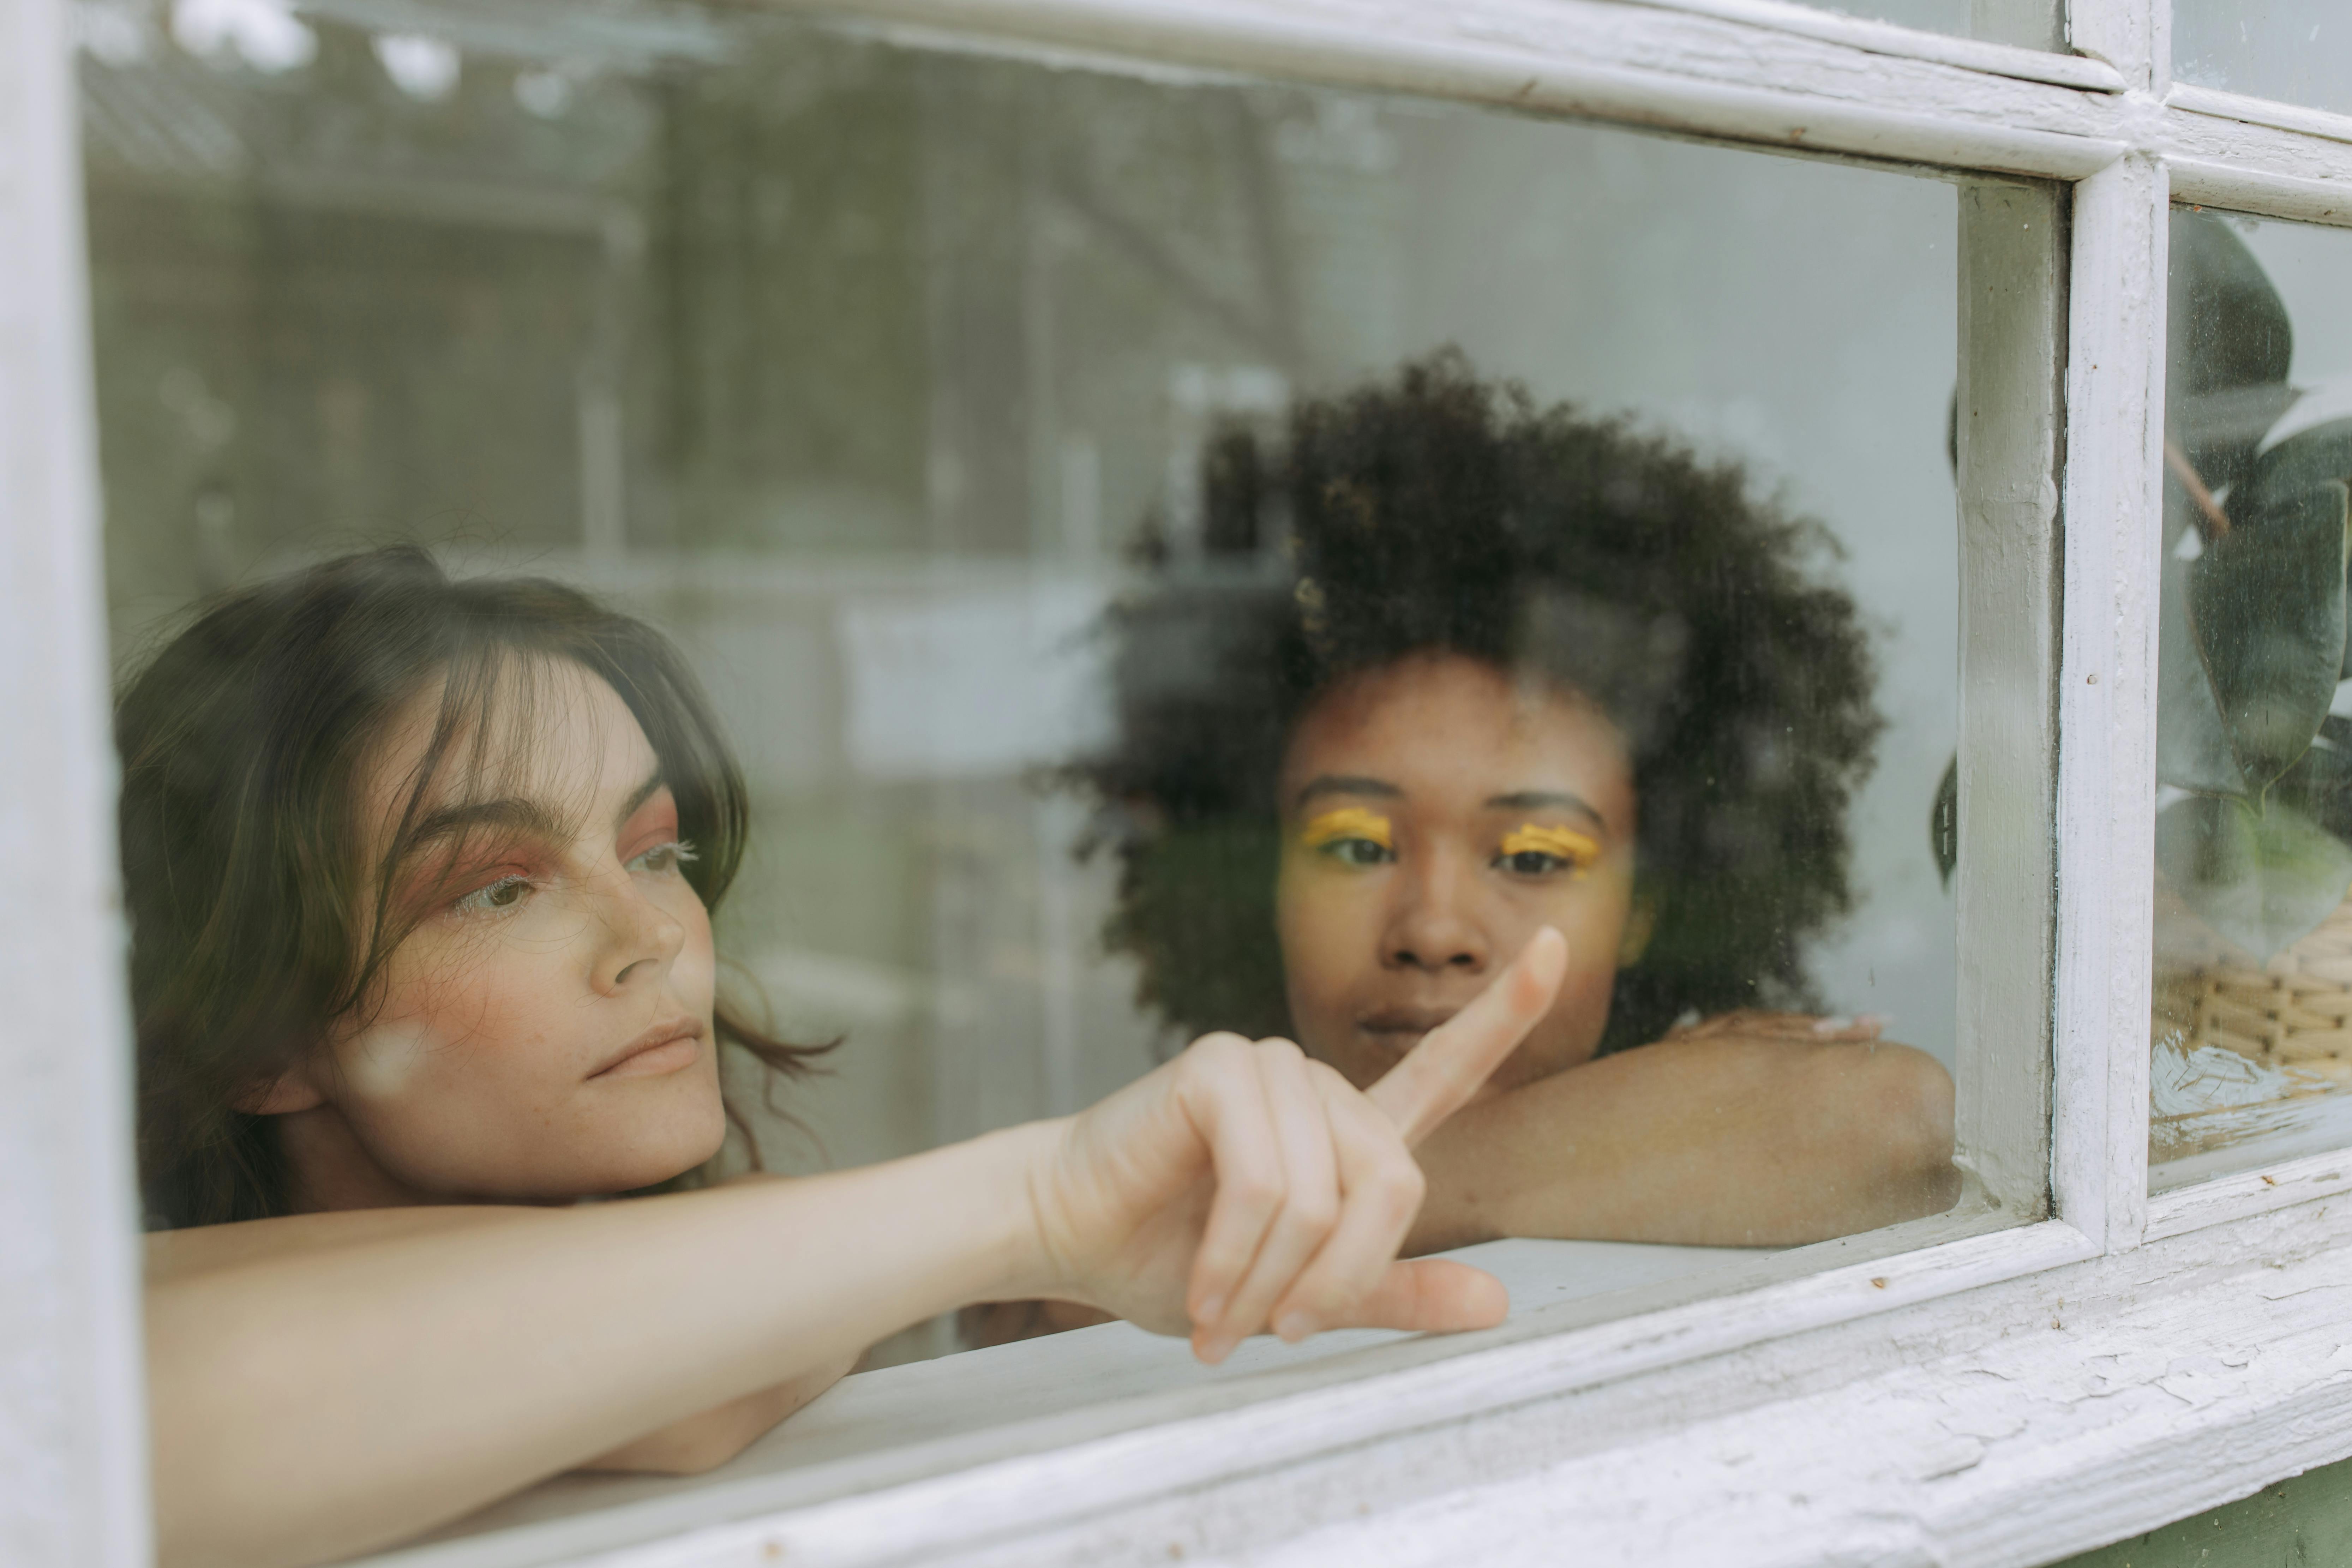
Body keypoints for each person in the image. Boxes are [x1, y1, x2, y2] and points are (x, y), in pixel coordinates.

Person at [127, 546, 1570, 1568]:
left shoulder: (771, 1303)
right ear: (258, 1035)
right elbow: (147, 1418)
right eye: (497, 886)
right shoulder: (102, 1341)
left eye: (658, 850)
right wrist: (1031, 1207)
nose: (655, 939)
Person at [1069, 352, 1960, 1255]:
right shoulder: (1102, 1238)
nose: (1432, 928)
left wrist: (1284, 1202)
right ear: (1262, 884)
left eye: (1532, 855)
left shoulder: (1164, 1220)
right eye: (1353, 845)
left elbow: (1894, 1122)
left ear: (1644, 911)